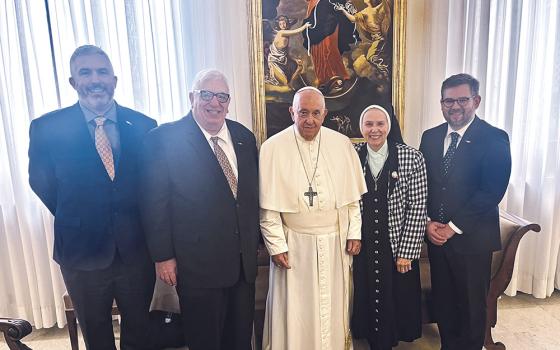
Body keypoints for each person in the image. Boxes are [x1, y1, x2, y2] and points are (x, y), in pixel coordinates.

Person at [28, 45, 156, 350]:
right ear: (73, 81)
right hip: (80, 252)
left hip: (136, 252)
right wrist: (80, 214)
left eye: (102, 72)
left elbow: (153, 185)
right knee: (96, 335)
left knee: (139, 330)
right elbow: (41, 183)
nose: (95, 79)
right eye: (85, 72)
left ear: (114, 79)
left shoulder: (144, 125)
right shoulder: (47, 128)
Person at [138, 69, 260, 350]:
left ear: (229, 102)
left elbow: (250, 197)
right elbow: (154, 202)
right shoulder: (164, 139)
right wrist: (163, 256)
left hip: (242, 265)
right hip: (197, 265)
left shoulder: (243, 137)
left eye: (222, 96)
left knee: (239, 339)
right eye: (206, 94)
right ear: (192, 97)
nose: (214, 103)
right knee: (205, 339)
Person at [259, 86, 367, 350]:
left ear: (325, 113)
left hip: (335, 243)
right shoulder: (272, 147)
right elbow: (268, 209)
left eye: (316, 113)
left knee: (332, 306)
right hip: (294, 246)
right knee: (297, 309)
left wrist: (354, 232)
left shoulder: (341, 144)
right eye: (303, 112)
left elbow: (353, 199)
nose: (309, 120)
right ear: (291, 112)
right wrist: (277, 246)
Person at [419, 73, 512, 350]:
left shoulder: (494, 138)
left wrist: (452, 227)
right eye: (449, 101)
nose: (455, 106)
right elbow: (422, 183)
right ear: (441, 103)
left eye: (462, 99)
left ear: (476, 101)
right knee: (444, 305)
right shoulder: (431, 137)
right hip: (437, 239)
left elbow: (491, 191)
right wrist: (427, 223)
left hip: (472, 240)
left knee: (472, 309)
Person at [352, 105, 426, 349]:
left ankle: (387, 340)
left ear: (389, 126)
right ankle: (372, 338)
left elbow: (417, 207)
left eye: (380, 124)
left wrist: (407, 251)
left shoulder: (411, 157)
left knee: (395, 294)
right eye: (369, 124)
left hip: (395, 242)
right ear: (361, 127)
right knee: (366, 290)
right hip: (362, 243)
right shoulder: (351, 155)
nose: (375, 130)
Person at [266, 15, 310, 87]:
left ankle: (291, 84)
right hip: (274, 62)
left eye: (284, 23)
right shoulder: (281, 33)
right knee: (284, 83)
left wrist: (295, 59)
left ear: (286, 23)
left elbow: (287, 53)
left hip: (283, 61)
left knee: (300, 66)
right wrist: (304, 26)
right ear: (278, 25)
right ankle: (288, 83)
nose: (282, 25)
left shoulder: (286, 36)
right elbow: (295, 31)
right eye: (280, 24)